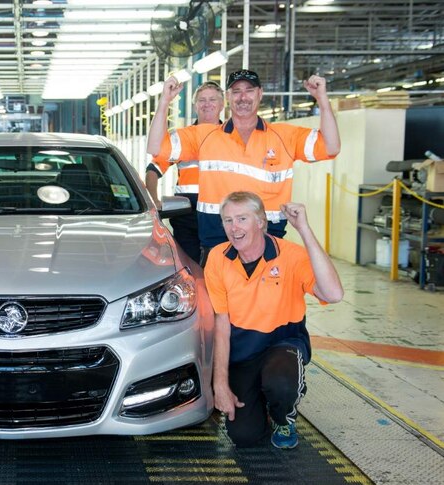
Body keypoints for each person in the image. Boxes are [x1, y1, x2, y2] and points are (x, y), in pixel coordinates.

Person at [147, 69, 341, 267]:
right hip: (218, 242)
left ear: (260, 94)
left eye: (249, 90)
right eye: (236, 91)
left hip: (267, 241)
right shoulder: (204, 135)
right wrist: (164, 102)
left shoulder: (284, 136)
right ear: (229, 97)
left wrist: (322, 100)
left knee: (264, 297)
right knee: (215, 298)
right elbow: (156, 148)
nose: (243, 97)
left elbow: (330, 147)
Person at [204, 191, 343, 449]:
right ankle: (261, 399)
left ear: (261, 222)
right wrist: (220, 384)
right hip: (243, 353)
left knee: (279, 381)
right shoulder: (217, 258)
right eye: (228, 220)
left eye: (242, 219)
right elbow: (221, 324)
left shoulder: (291, 255)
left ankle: (283, 417)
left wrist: (304, 230)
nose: (234, 228)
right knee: (244, 436)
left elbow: (333, 294)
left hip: (282, 343)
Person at [146, 81, 224, 262]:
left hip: (221, 214)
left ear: (222, 104)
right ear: (195, 105)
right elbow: (153, 169)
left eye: (212, 99)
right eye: (202, 100)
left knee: (219, 268)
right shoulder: (182, 137)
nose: (207, 104)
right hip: (187, 213)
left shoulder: (233, 136)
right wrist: (153, 200)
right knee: (189, 267)